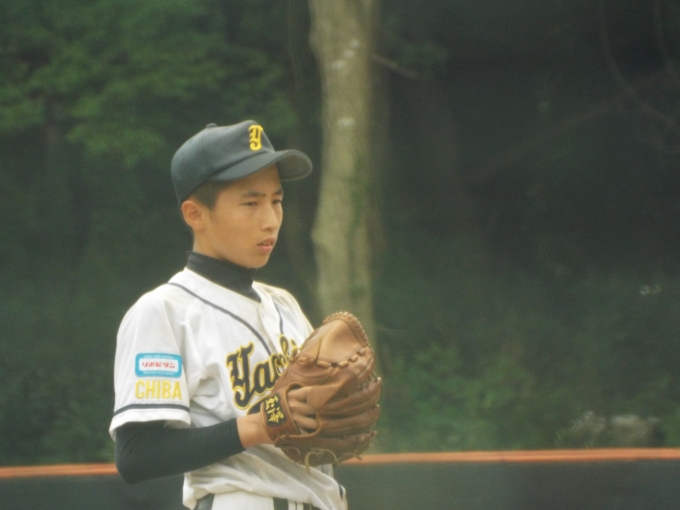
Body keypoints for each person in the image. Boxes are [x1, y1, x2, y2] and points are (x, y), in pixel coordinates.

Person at [109, 121, 347, 510]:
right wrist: (256, 425)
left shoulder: (284, 304)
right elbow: (136, 454)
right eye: (251, 203)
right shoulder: (165, 311)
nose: (270, 219)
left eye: (276, 200)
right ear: (195, 214)